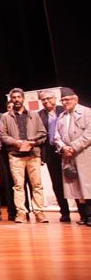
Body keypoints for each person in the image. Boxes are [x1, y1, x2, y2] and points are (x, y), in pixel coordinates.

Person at [0, 87, 48, 223]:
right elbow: (2, 135)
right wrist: (16, 142)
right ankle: (21, 213)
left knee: (37, 184)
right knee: (18, 186)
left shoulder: (34, 114)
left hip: (33, 154)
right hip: (15, 155)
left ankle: (39, 212)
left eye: (18, 97)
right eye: (14, 98)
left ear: (23, 98)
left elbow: (43, 133)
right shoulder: (6, 116)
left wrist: (32, 141)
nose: (16, 100)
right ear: (11, 100)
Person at [54, 87, 91, 225]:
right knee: (75, 186)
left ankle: (90, 215)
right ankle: (83, 215)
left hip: (84, 154)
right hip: (68, 156)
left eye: (67, 99)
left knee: (87, 185)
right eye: (62, 100)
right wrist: (64, 147)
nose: (64, 102)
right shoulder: (62, 116)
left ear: (76, 99)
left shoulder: (87, 112)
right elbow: (56, 136)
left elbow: (89, 134)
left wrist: (73, 146)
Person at [38, 89, 70, 222]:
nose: (46, 101)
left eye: (48, 98)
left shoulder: (64, 110)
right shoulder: (39, 115)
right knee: (57, 184)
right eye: (43, 99)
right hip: (50, 152)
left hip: (67, 151)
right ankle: (65, 212)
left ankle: (84, 212)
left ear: (55, 98)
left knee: (72, 181)